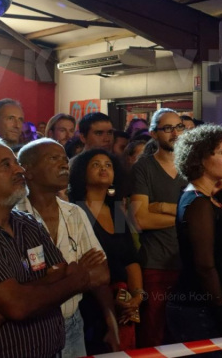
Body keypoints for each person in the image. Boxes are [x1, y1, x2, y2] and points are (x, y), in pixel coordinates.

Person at [0, 135, 108, 358]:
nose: (19, 170)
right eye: (6, 165)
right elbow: (20, 306)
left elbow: (60, 272)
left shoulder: (26, 223)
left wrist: (9, 303)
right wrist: (76, 281)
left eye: (16, 162)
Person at [16, 139, 119, 357]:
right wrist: (79, 271)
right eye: (53, 158)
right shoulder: (13, 218)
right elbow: (21, 287)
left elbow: (101, 274)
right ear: (28, 171)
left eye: (64, 158)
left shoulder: (75, 213)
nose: (64, 164)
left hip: (72, 326)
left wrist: (112, 324)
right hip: (30, 330)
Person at [165, 124, 222, 355]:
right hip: (198, 309)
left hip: (208, 305)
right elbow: (204, 266)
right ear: (200, 159)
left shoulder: (208, 199)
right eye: (221, 152)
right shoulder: (197, 203)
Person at [68, 149, 143, 352]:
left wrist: (137, 295)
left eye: (108, 165)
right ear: (82, 172)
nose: (103, 168)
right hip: (89, 303)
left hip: (121, 300)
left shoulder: (116, 210)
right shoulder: (74, 210)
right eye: (96, 164)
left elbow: (130, 258)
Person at [130, 109, 187, 347]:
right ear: (153, 133)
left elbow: (209, 212)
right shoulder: (143, 167)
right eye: (167, 128)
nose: (175, 133)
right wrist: (186, 217)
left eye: (179, 127)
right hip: (156, 265)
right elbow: (140, 219)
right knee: (154, 337)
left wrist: (163, 206)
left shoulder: (191, 167)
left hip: (188, 265)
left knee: (182, 337)